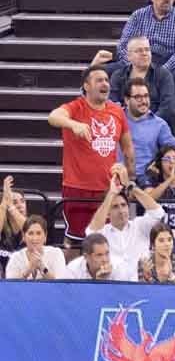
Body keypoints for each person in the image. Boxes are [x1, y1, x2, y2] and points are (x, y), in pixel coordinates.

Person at [48, 67, 134, 244]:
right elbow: (53, 116)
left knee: (108, 239)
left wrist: (129, 175)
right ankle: (71, 272)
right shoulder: (76, 107)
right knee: (75, 241)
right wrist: (72, 124)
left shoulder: (117, 111)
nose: (105, 84)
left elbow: (128, 148)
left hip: (107, 189)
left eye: (106, 80)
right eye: (99, 80)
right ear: (86, 86)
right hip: (78, 187)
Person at [84, 170, 165, 271]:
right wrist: (111, 193)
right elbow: (91, 232)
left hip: (141, 282)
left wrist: (131, 187)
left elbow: (158, 213)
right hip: (112, 282)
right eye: (115, 207)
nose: (121, 211)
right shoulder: (103, 232)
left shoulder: (139, 225)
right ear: (107, 213)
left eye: (123, 205)